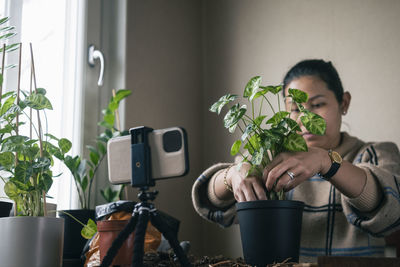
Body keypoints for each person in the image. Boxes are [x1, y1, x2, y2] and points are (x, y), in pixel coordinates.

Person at [191, 59, 400, 262]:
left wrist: (326, 162)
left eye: (317, 104)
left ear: (343, 103)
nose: (304, 119)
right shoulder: (269, 157)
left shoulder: (374, 153)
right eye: (295, 108)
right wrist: (233, 176)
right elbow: (212, 204)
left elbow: (392, 212)